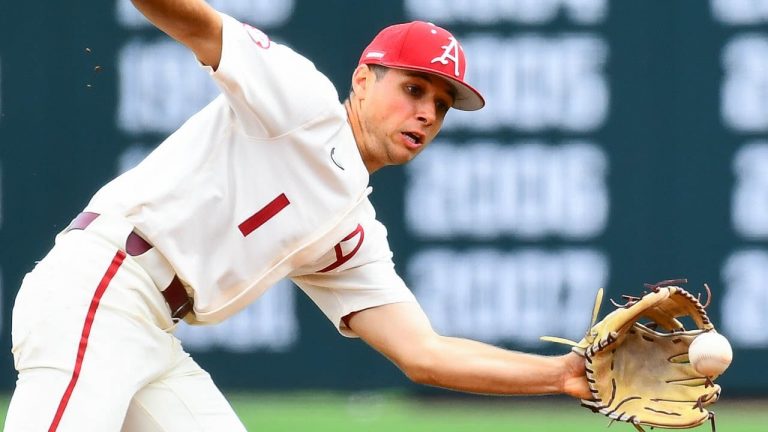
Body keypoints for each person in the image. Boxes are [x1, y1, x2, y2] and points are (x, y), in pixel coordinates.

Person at [5, 1, 591, 431]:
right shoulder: (304, 103)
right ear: (363, 79)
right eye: (414, 89)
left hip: (152, 331)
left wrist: (563, 375)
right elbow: (201, 27)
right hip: (102, 289)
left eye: (440, 105)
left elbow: (425, 354)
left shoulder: (351, 231)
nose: (427, 114)